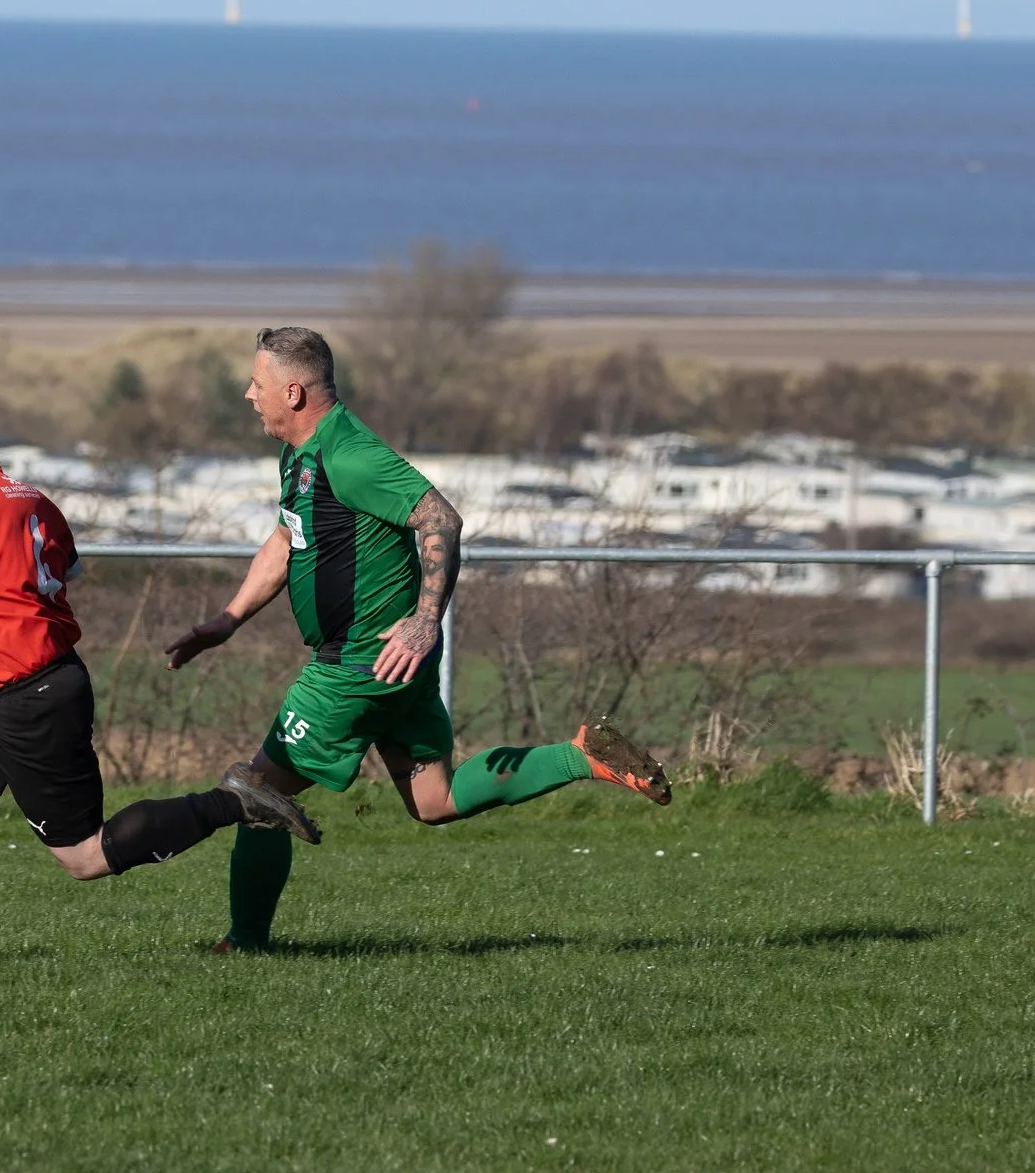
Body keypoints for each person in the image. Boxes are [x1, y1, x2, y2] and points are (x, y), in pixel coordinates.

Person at [144, 326, 674, 953]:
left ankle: (246, 943)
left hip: (361, 664)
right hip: (396, 665)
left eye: (256, 385)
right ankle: (581, 756)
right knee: (435, 799)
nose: (246, 394)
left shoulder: (349, 455)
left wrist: (426, 619)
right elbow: (288, 540)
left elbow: (439, 517)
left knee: (260, 792)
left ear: (292, 391)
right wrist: (227, 620)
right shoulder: (303, 455)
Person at [0, 382, 300, 959]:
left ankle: (238, 800)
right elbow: (64, 573)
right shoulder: (30, 496)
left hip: (27, 695)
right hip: (8, 686)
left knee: (85, 857)